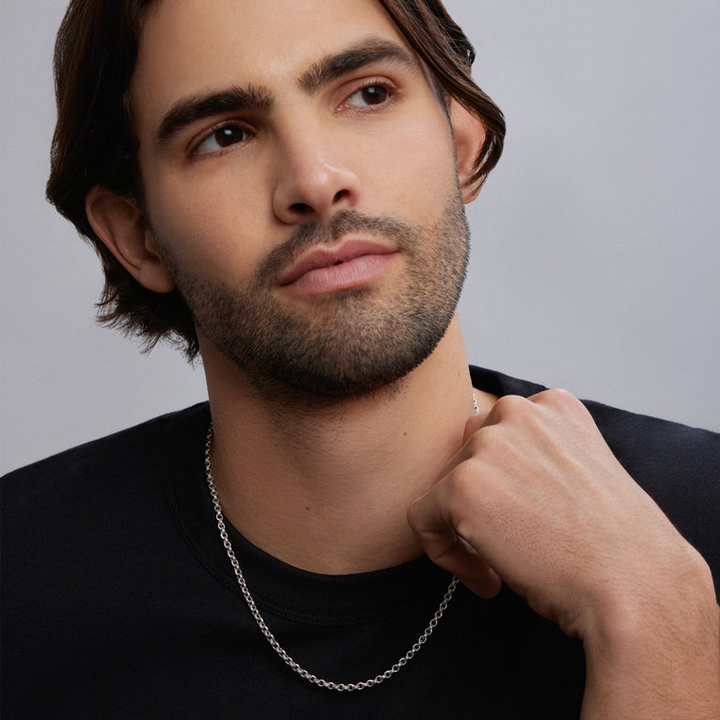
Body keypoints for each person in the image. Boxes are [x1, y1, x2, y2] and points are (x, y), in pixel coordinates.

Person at [2, 0, 718, 717]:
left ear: (462, 139)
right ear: (137, 236)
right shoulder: (22, 585)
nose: (315, 181)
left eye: (369, 93)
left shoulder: (698, 523)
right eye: (224, 136)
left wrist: (655, 617)